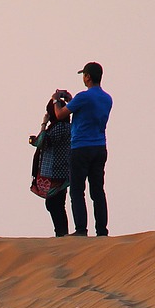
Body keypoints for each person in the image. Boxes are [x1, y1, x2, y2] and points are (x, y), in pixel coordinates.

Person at [54, 61, 113, 236]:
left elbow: (60, 114)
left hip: (81, 147)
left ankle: (81, 229)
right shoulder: (107, 98)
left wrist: (57, 100)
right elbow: (87, 111)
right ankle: (102, 230)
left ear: (87, 77)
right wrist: (72, 101)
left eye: (84, 75)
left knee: (77, 190)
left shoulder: (83, 97)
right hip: (100, 146)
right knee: (97, 190)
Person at [29, 90, 72, 236]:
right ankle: (61, 234)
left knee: (54, 205)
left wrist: (43, 124)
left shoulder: (59, 127)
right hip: (62, 173)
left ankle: (61, 235)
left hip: (55, 174)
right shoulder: (67, 126)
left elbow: (41, 142)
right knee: (57, 205)